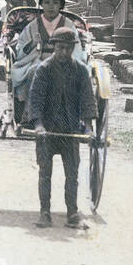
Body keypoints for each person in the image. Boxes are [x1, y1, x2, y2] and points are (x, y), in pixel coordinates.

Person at [26, 27, 96, 228]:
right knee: (44, 172)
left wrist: (89, 128)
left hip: (70, 130)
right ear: (53, 46)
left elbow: (87, 101)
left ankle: (72, 212)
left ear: (73, 48)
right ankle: (45, 212)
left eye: (67, 48)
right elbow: (36, 100)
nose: (63, 52)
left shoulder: (81, 70)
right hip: (48, 130)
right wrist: (38, 125)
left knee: (72, 174)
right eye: (60, 48)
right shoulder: (44, 69)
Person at [9, 0, 79, 121]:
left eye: (55, 2)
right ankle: (29, 114)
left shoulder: (68, 24)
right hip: (37, 60)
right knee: (34, 71)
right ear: (41, 4)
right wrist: (32, 43)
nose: (51, 6)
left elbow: (77, 48)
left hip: (65, 61)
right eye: (47, 2)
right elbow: (21, 50)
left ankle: (68, 116)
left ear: (61, 4)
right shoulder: (33, 25)